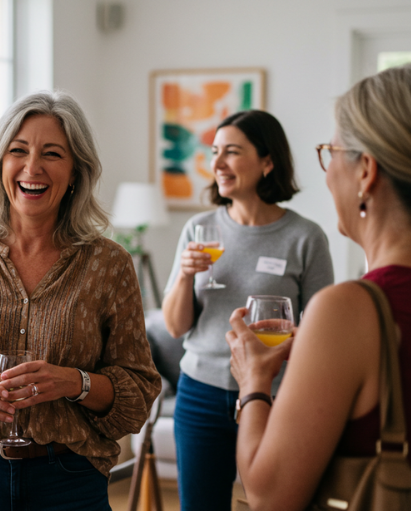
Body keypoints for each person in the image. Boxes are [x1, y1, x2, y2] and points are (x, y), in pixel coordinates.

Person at [0, 91, 161, 511]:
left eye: (52, 153)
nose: (32, 168)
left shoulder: (109, 264)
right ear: (0, 163)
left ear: (76, 170)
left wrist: (74, 382)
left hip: (70, 481)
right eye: (17, 151)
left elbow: (137, 395)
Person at [226, 65, 411, 510]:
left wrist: (253, 380)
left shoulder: (352, 310)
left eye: (331, 153)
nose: (327, 175)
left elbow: (268, 496)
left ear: (366, 171)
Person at [161, 110, 334, 510]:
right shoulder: (199, 229)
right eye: (215, 152)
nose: (217, 164)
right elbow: (174, 326)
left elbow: (321, 333)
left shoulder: (304, 237)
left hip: (276, 395)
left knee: (274, 503)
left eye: (232, 152)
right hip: (200, 394)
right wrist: (185, 276)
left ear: (267, 161)